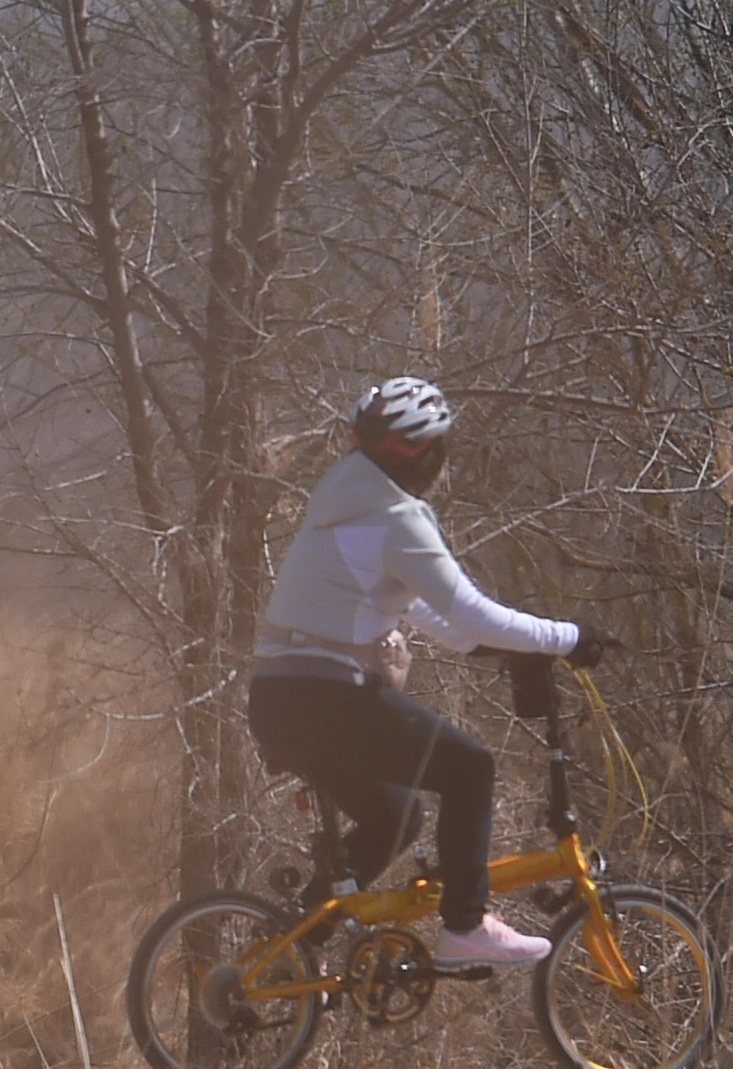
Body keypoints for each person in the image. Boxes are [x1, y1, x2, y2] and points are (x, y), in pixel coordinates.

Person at [247, 376, 605, 969]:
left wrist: (493, 648)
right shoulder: (396, 517)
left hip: (279, 697)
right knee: (470, 768)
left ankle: (286, 950)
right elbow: (471, 611)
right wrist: (568, 637)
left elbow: (431, 615)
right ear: (430, 452)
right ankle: (465, 925)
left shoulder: (343, 498)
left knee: (398, 815)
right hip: (325, 697)